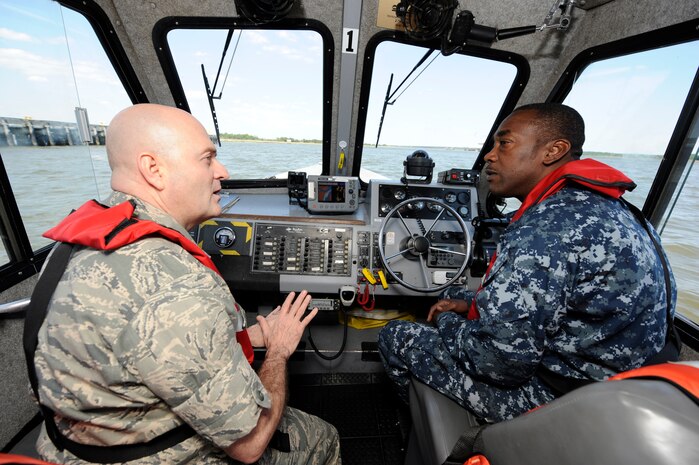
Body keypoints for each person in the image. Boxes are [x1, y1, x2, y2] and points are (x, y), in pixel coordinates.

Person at [30, 104, 341, 464]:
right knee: (323, 436)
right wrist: (279, 350)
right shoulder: (177, 288)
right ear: (154, 169)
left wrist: (252, 336)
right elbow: (250, 444)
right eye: (207, 159)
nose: (222, 172)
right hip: (158, 455)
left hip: (77, 446)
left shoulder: (76, 242)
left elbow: (146, 342)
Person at [378, 103, 677, 423]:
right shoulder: (620, 210)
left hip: (562, 400)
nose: (489, 156)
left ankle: (411, 427)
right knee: (455, 299)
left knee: (395, 335)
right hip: (623, 386)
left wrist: (446, 323)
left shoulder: (544, 229)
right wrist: (469, 305)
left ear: (554, 151)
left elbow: (498, 364)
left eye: (504, 143)